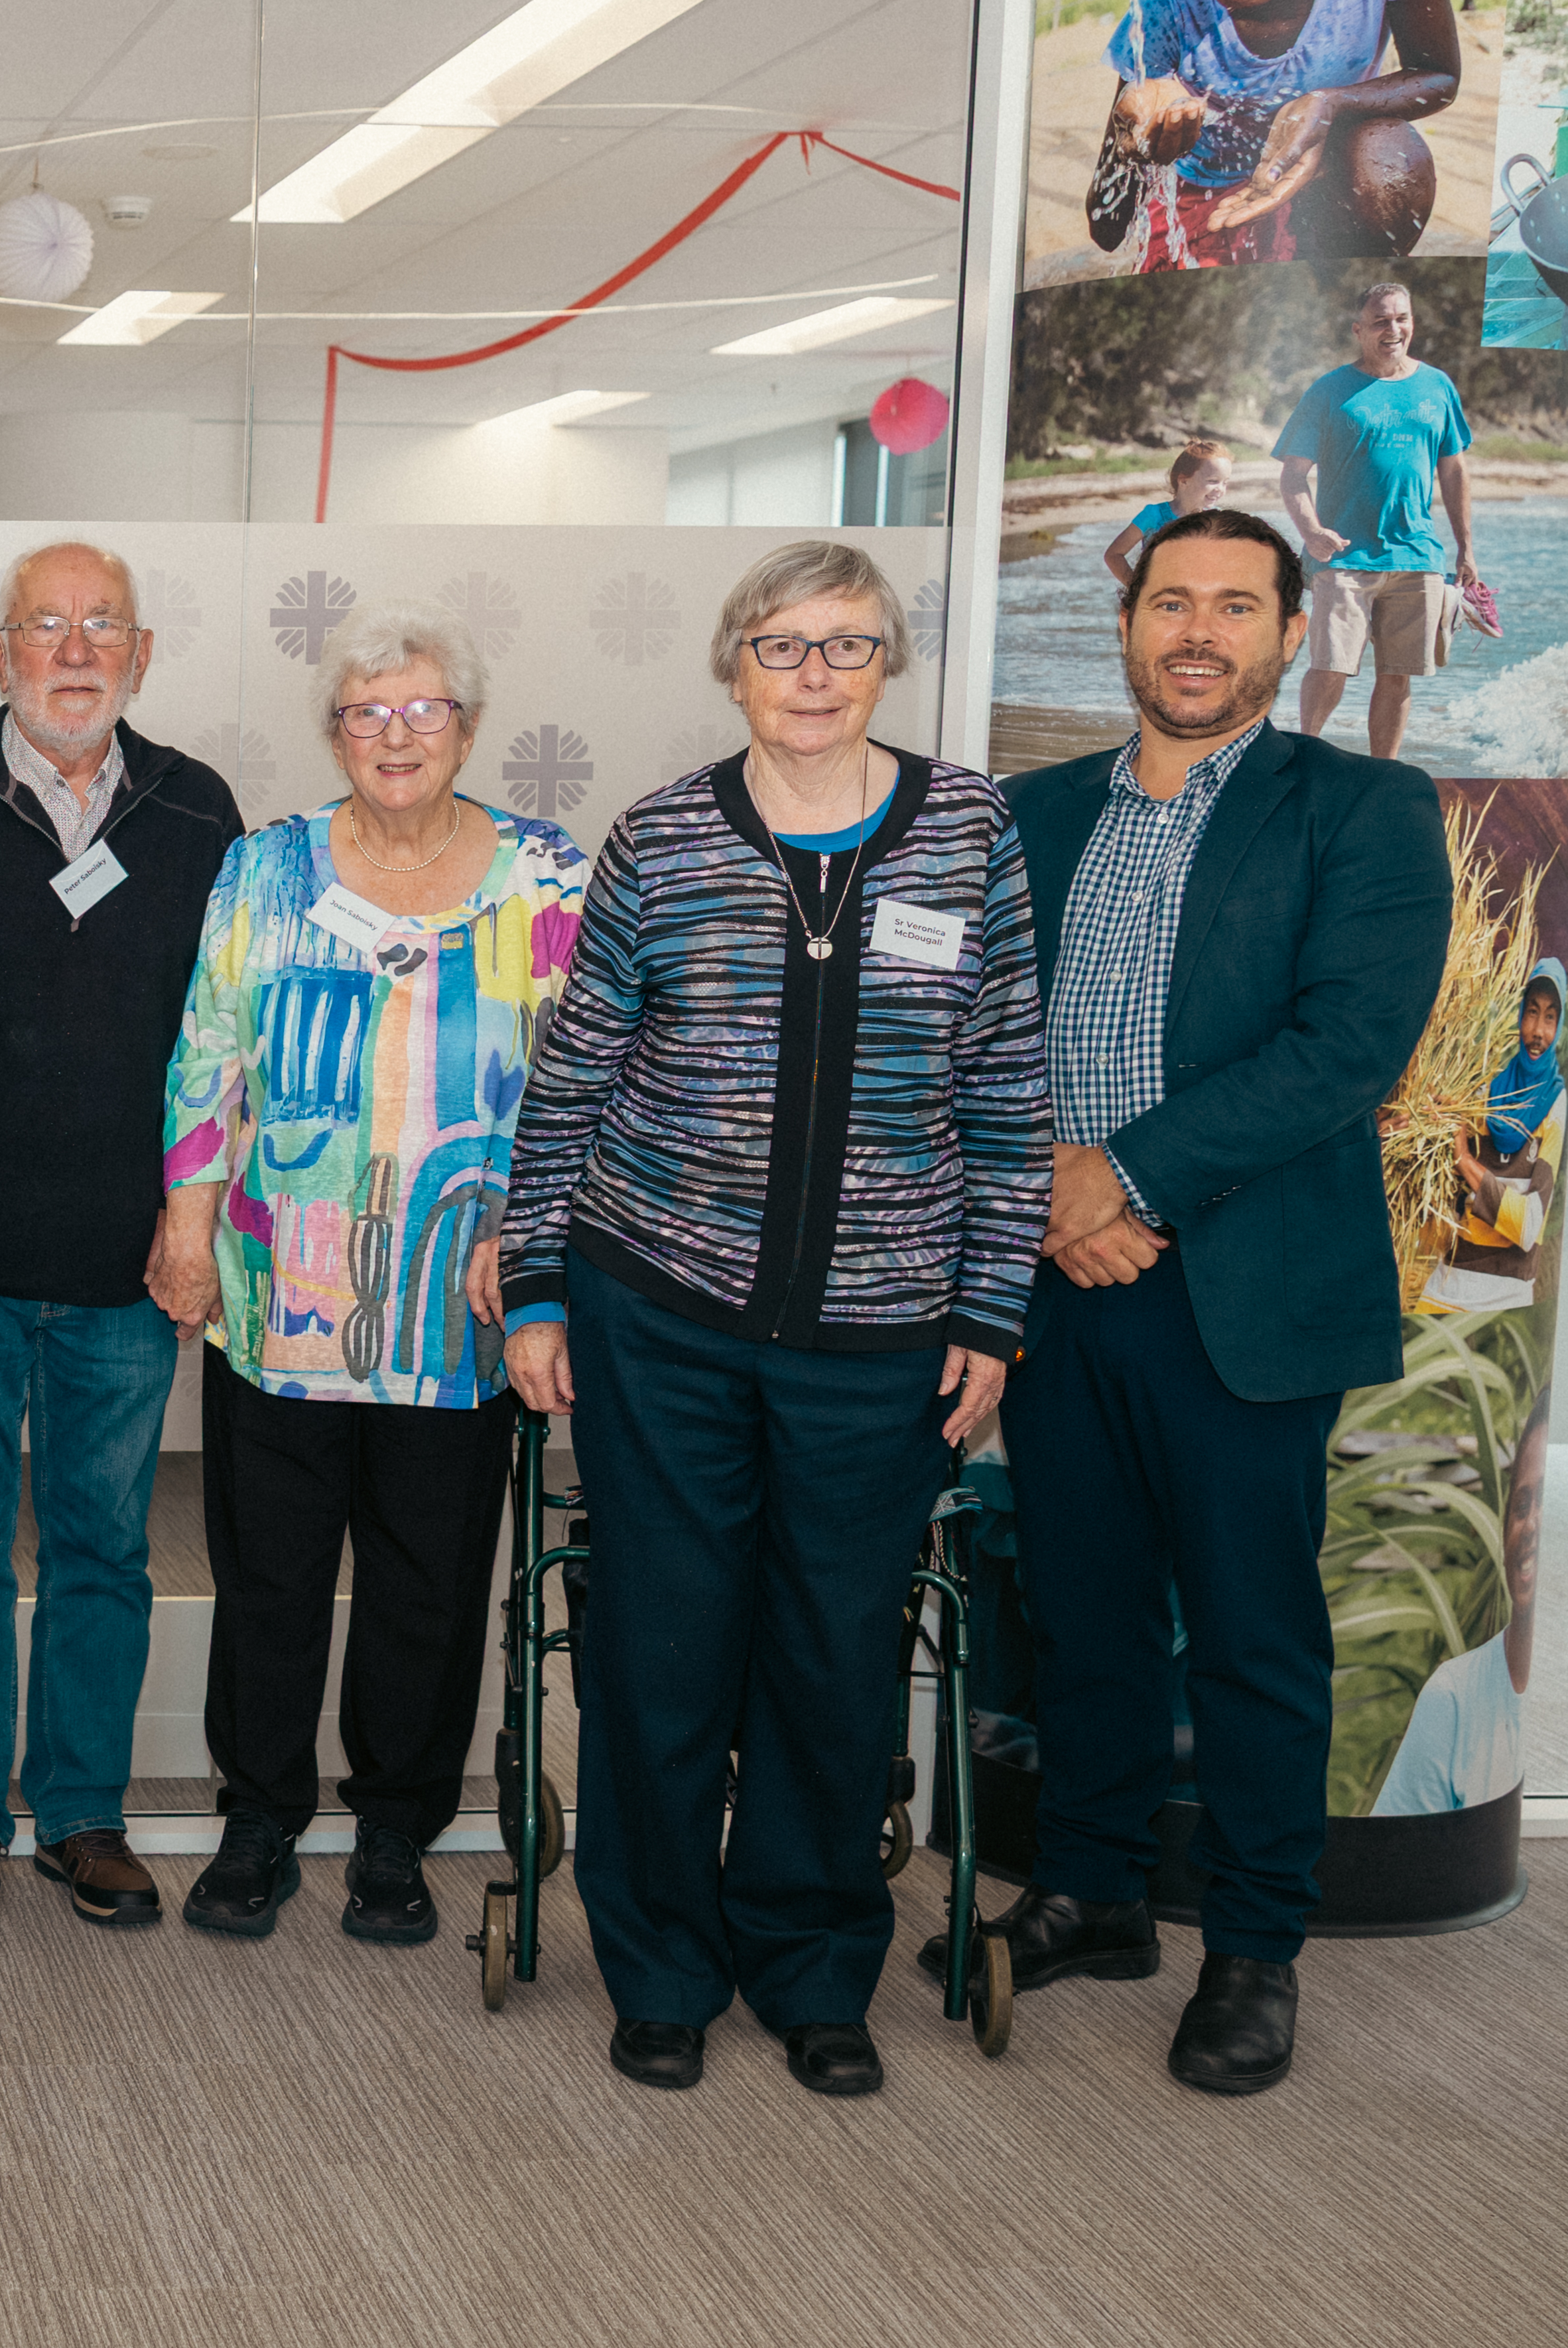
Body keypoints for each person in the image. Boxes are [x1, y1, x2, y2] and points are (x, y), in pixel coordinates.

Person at [501, 540, 1048, 2100]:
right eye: (781, 644)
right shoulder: (663, 838)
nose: (812, 673)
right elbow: (572, 1081)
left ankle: (814, 1967)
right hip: (658, 1310)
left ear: (887, 664)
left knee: (829, 1657)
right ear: (732, 663)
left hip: (882, 1336)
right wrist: (535, 1280)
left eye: (845, 644)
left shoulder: (965, 831)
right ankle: (660, 1968)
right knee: (659, 1648)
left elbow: (1009, 1088)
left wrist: (992, 1307)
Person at [970, 505, 1448, 2097]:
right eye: (1168, 601)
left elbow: (1341, 1049)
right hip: (1055, 1284)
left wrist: (1125, 1179)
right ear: (1125, 625)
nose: (1194, 631)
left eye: (1231, 605)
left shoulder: (1363, 809)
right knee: (1082, 1611)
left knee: (1249, 1634)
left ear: (1286, 631)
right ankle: (1093, 1887)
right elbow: (963, 1032)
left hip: (1237, 1289)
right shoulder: (1022, 813)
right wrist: (1050, 1189)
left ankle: (1252, 1942)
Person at [147, 606, 584, 1947]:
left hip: (464, 1297)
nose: (394, 737)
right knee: (269, 1572)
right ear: (335, 733)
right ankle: (260, 1819)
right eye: (365, 715)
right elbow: (208, 1047)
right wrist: (184, 1218)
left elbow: (585, 1081)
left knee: (428, 1580)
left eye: (422, 711)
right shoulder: (268, 868)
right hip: (287, 1290)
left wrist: (542, 1241)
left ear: (467, 727)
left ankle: (397, 1829)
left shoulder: (545, 874)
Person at [0, 541, 240, 1933]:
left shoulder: (200, 810)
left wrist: (190, 1219)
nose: (75, 650)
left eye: (104, 627)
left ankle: (84, 1814)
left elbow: (225, 1044)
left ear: (142, 657)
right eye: (47, 625)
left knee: (104, 1544)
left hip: (128, 1261)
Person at [1085, 0, 1459, 270]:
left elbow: (1439, 74)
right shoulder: (1165, 9)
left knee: (1390, 156)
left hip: (1323, 181)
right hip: (1206, 200)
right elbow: (1106, 226)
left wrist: (1333, 104)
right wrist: (1132, 150)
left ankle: (1346, 283)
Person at [1278, 278, 1475, 762]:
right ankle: (1307, 755)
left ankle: (1381, 774)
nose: (1394, 329)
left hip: (1417, 555)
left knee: (1398, 673)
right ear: (1359, 330)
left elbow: (1453, 470)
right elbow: (1293, 476)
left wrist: (1466, 547)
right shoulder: (1330, 390)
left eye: (1402, 318)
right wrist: (1313, 533)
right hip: (1345, 555)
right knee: (1331, 666)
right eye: (1382, 321)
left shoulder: (1437, 386)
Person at [1370, 1425, 1538, 1813]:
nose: (1531, 1525)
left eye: (1545, 1499)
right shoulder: (1455, 1696)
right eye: (1522, 1504)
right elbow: (1399, 1857)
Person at [1429, 958, 1564, 1309]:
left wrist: (1465, 1161)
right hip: (1446, 1284)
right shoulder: (1487, 1093)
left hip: (1503, 1299)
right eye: (1531, 1012)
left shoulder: (1556, 1107)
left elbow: (1530, 1227)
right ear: (1520, 1017)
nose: (1538, 1031)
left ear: (1560, 1026)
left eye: (1550, 1017)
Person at [1103, 440, 1236, 588]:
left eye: (1225, 483)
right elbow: (1114, 555)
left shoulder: (1218, 520)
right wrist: (1137, 590)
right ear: (1184, 480)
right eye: (1213, 481)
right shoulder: (1154, 515)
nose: (1220, 489)